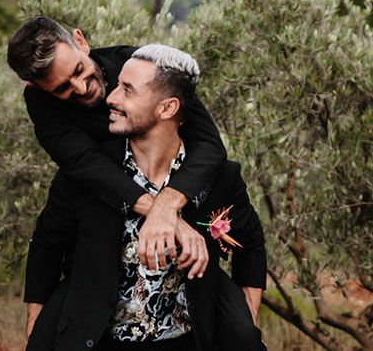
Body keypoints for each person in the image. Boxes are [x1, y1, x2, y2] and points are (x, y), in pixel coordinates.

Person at [24, 44, 266, 350]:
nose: (110, 97)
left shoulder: (217, 178)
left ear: (167, 108)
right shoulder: (86, 176)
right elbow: (47, 242)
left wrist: (249, 318)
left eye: (127, 90)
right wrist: (35, 319)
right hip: (99, 339)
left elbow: (251, 242)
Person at [6, 16, 227, 327]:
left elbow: (210, 145)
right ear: (38, 86)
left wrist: (170, 205)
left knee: (240, 334)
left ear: (80, 41)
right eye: (62, 89)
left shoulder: (141, 66)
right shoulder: (39, 100)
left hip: (187, 219)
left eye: (79, 70)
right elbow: (84, 165)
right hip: (100, 225)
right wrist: (162, 215)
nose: (81, 88)